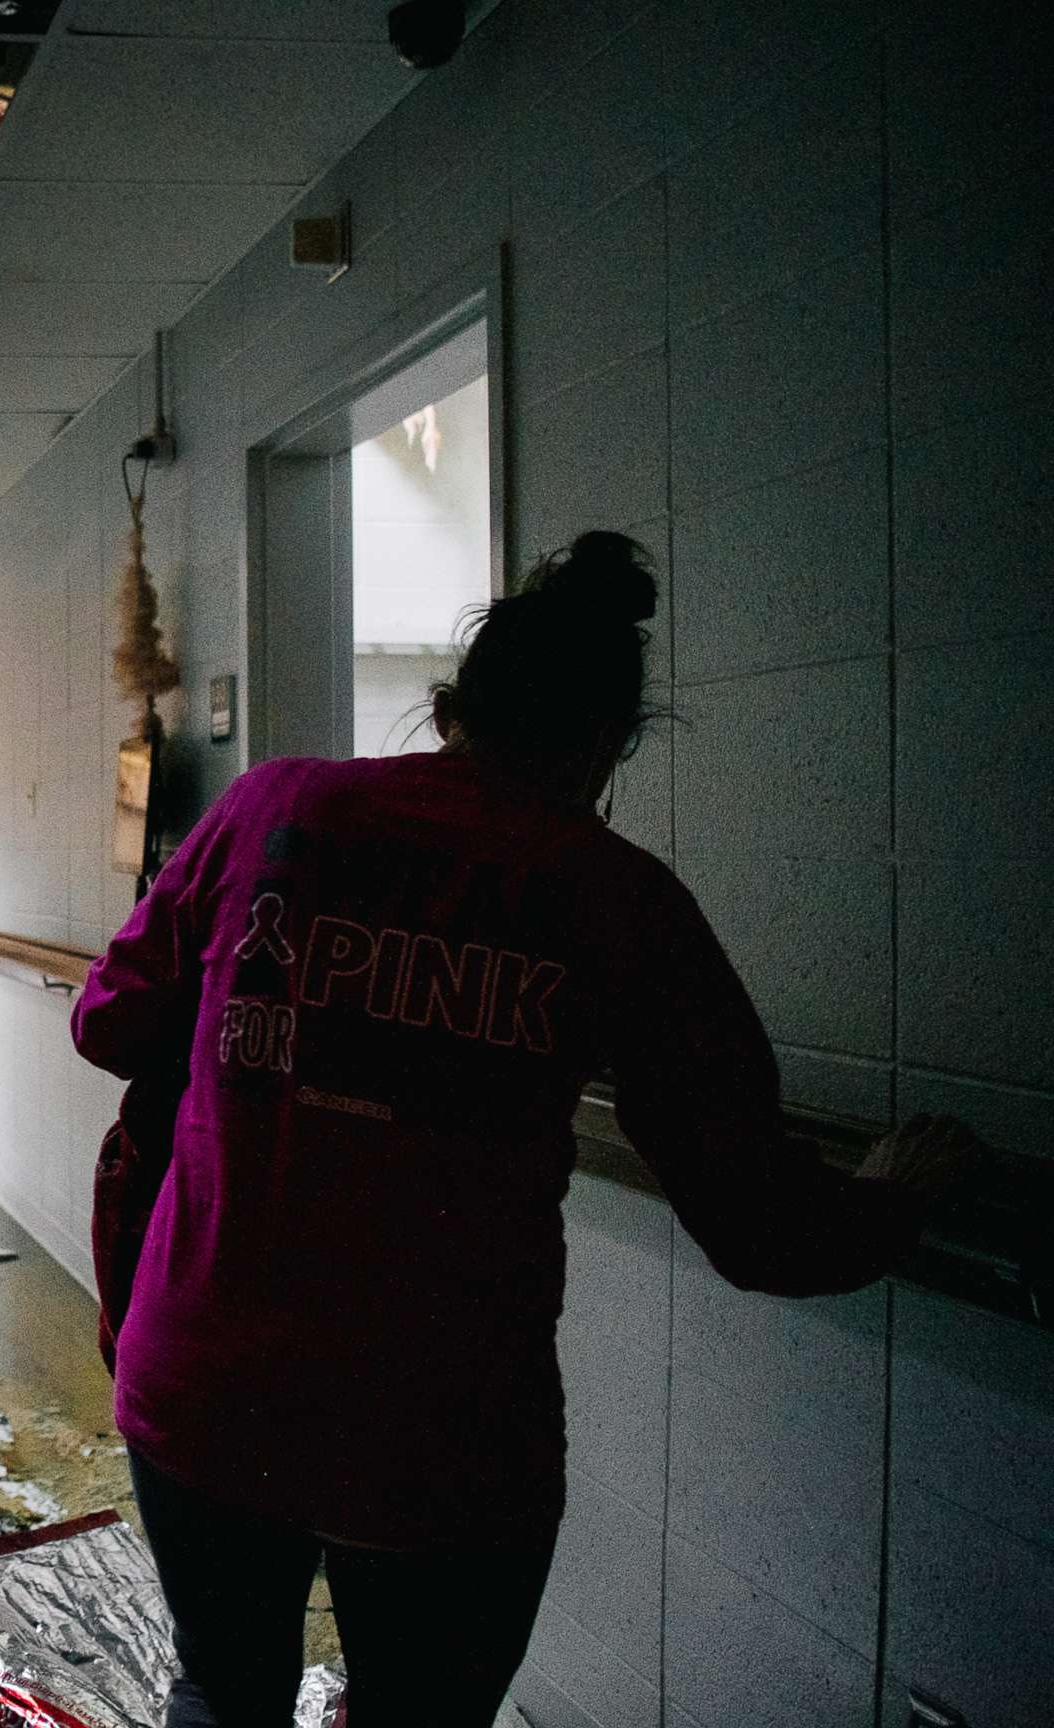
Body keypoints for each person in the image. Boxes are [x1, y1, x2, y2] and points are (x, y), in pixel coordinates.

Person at [70, 530, 976, 1728]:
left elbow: (109, 1022)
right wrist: (893, 1197)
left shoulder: (274, 809)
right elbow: (761, 1225)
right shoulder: (621, 900)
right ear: (608, 745)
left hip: (207, 1387)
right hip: (440, 1440)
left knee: (224, 1694)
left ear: (448, 710)